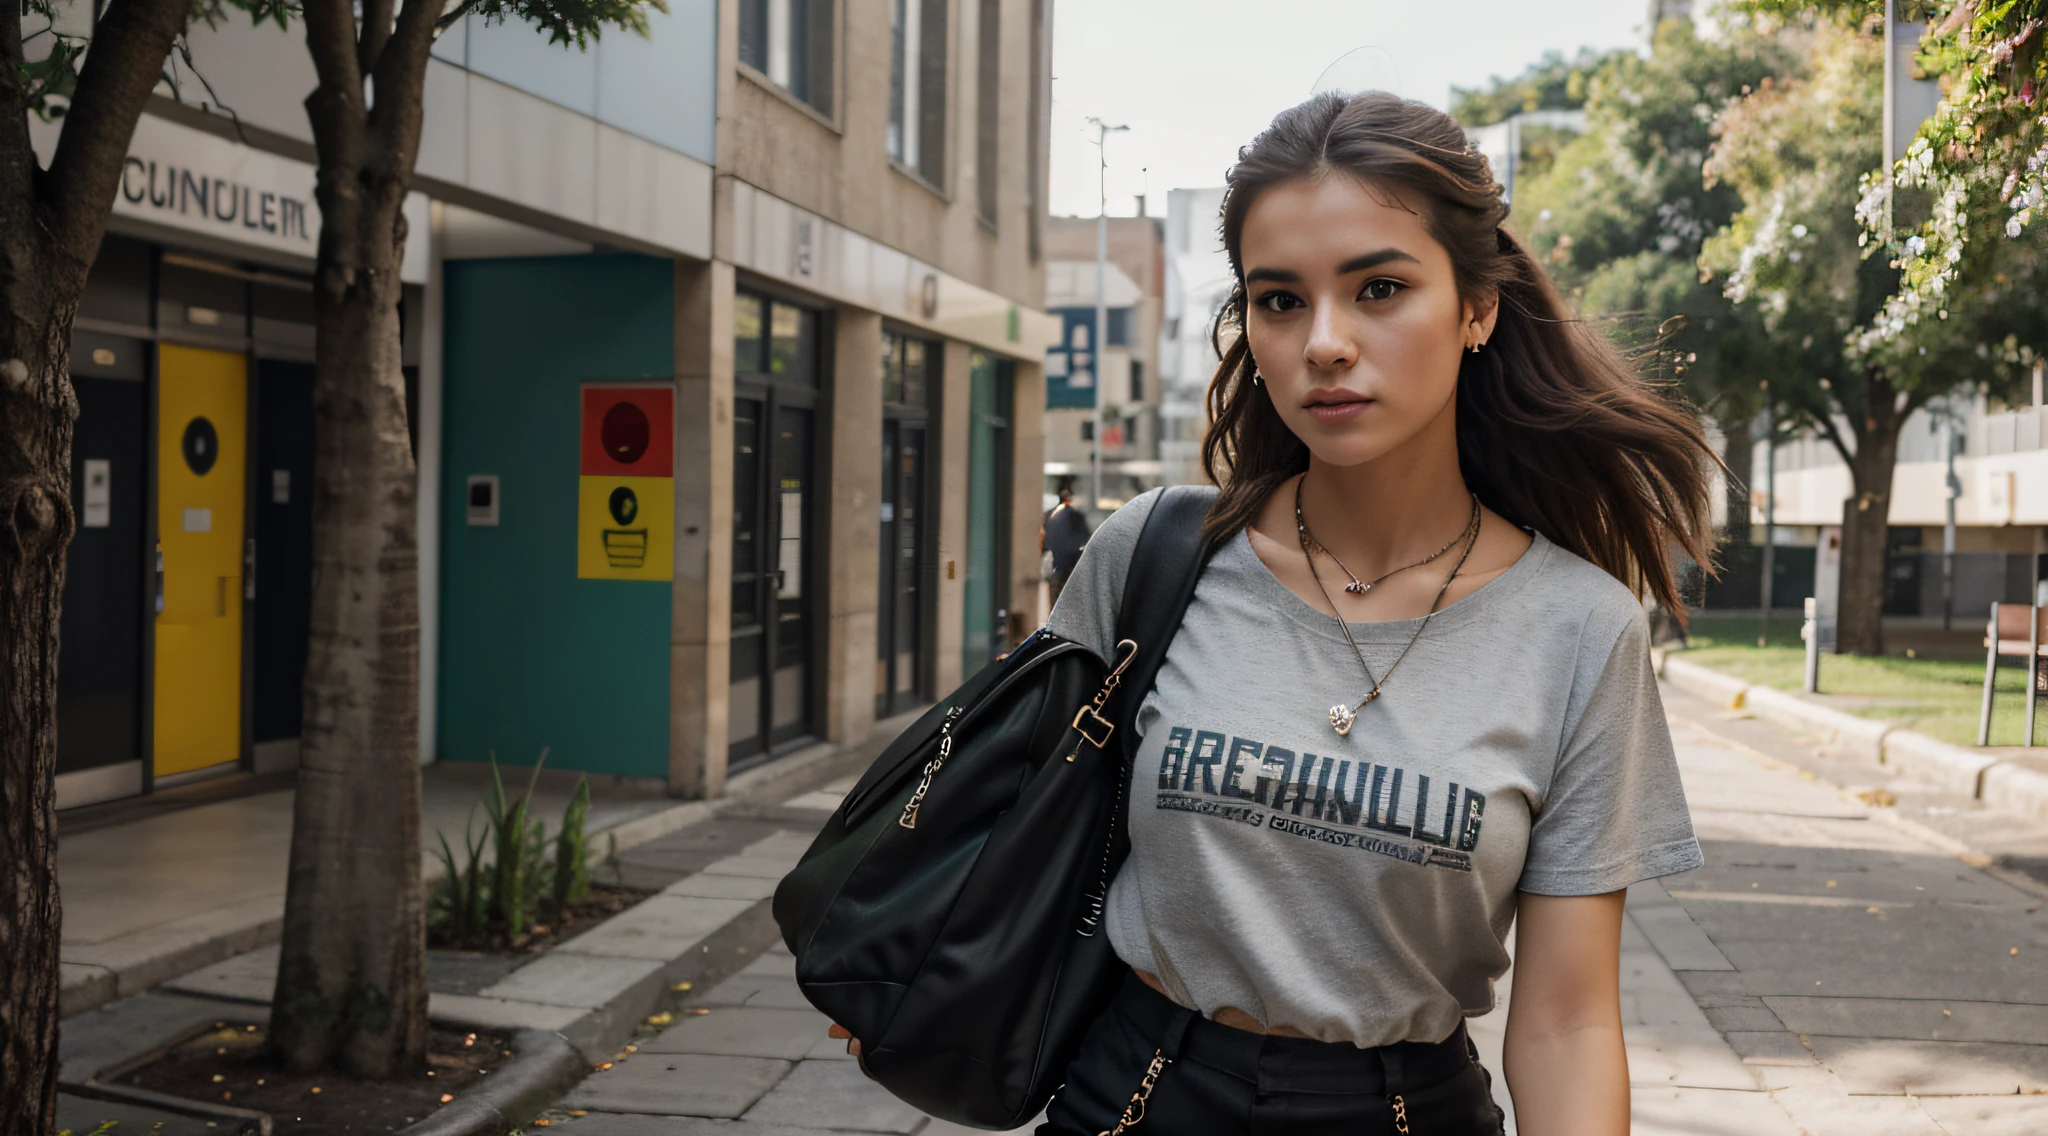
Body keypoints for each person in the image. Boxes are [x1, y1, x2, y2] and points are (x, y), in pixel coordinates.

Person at [835, 90, 1715, 1136]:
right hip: (1135, 1097)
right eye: (1279, 299)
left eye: (1379, 287)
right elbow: (1012, 818)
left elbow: (1567, 1020)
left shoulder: (1580, 628)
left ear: (1476, 308)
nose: (1324, 342)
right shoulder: (1153, 553)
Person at [1040, 486, 1092, 608]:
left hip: (1059, 565)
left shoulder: (1053, 515)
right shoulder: (1074, 516)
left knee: (1056, 600)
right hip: (1072, 565)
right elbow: (1084, 538)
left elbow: (1047, 540)